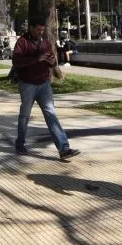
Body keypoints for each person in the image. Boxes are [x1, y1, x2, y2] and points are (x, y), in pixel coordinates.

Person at [12, 16, 81, 161]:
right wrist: (36, 60)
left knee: (51, 114)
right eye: (38, 29)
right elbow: (17, 61)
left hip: (44, 84)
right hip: (28, 84)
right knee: (24, 115)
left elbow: (52, 59)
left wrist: (52, 63)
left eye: (42, 30)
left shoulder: (46, 43)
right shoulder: (22, 42)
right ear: (30, 28)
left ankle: (64, 148)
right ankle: (20, 143)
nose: (40, 32)